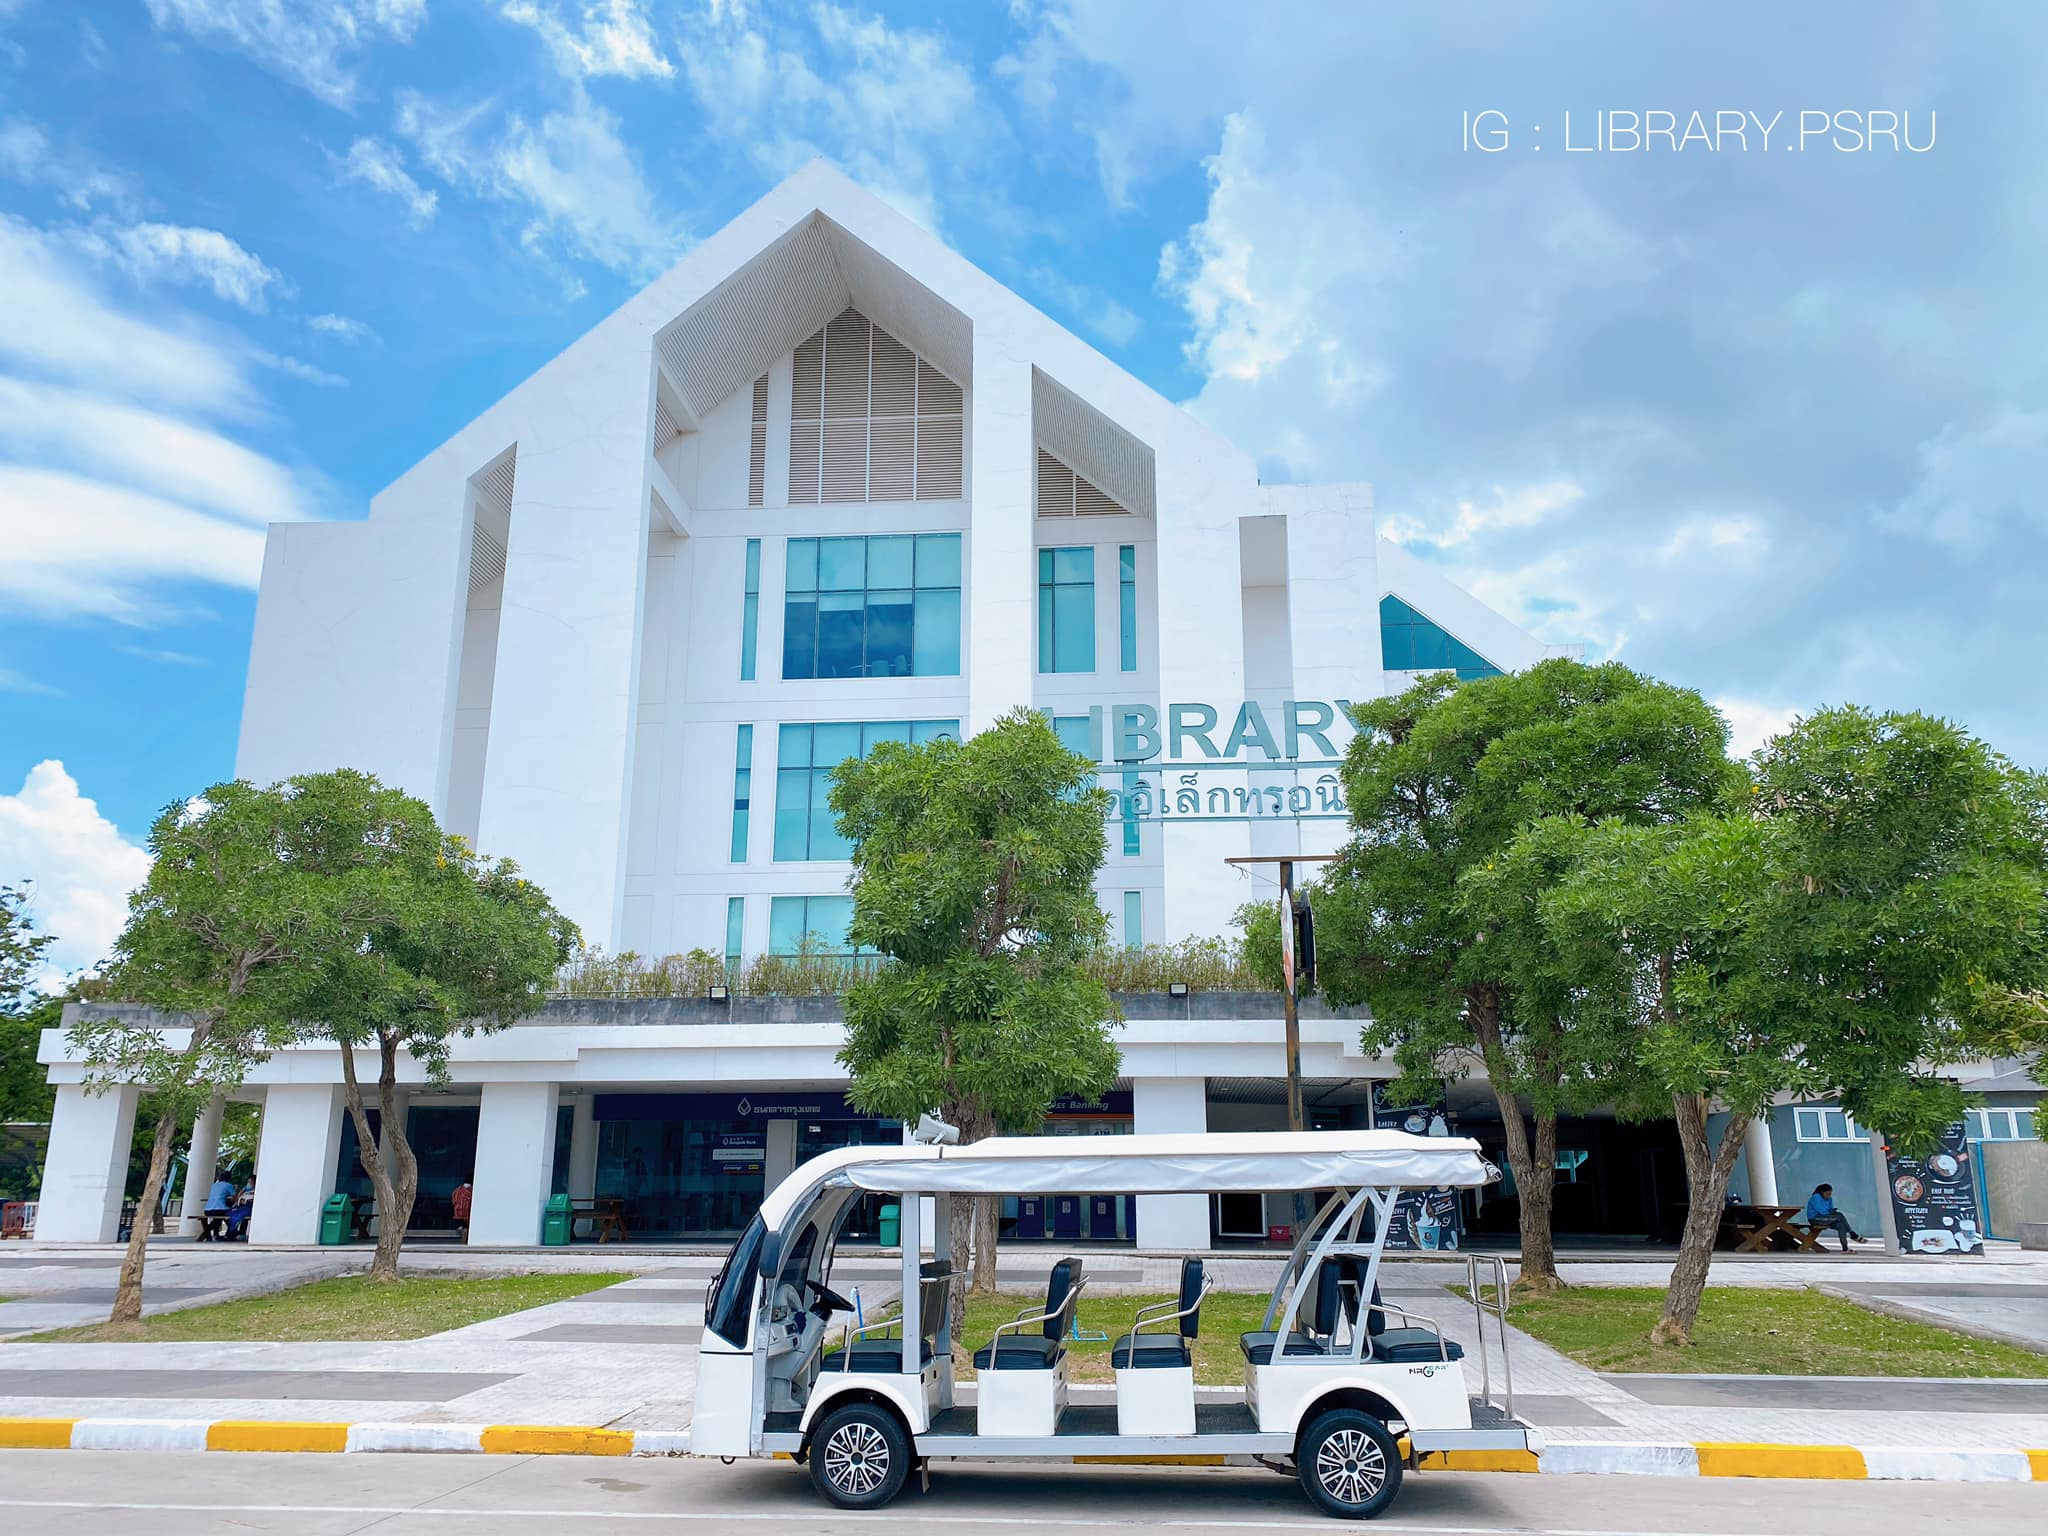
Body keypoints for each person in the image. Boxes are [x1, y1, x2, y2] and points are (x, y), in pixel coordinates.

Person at [1802, 1183, 1860, 1252]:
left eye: (1830, 1194)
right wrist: (1830, 1213)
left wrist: (1832, 1211)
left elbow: (1830, 1208)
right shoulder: (1816, 1197)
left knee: (1841, 1225)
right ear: (1822, 1192)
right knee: (1839, 1216)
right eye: (1827, 1194)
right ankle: (1851, 1233)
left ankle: (1845, 1247)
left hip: (1827, 1218)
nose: (1828, 1196)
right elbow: (1822, 1211)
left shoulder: (1829, 1199)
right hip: (1815, 1218)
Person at [201, 1167, 237, 1242]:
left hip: (207, 1209)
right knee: (230, 1214)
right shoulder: (228, 1185)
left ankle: (213, 1235)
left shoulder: (214, 1185)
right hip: (219, 1209)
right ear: (229, 1178)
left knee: (218, 1218)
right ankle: (232, 1232)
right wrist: (235, 1189)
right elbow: (235, 1197)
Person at [226, 1175, 255, 1240]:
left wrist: (242, 1201)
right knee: (230, 1213)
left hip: (248, 1208)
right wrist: (243, 1190)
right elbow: (238, 1196)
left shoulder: (256, 1190)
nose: (249, 1184)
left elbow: (250, 1202)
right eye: (248, 1182)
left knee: (240, 1216)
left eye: (251, 1182)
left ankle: (237, 1233)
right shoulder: (246, 1190)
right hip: (241, 1207)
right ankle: (232, 1233)